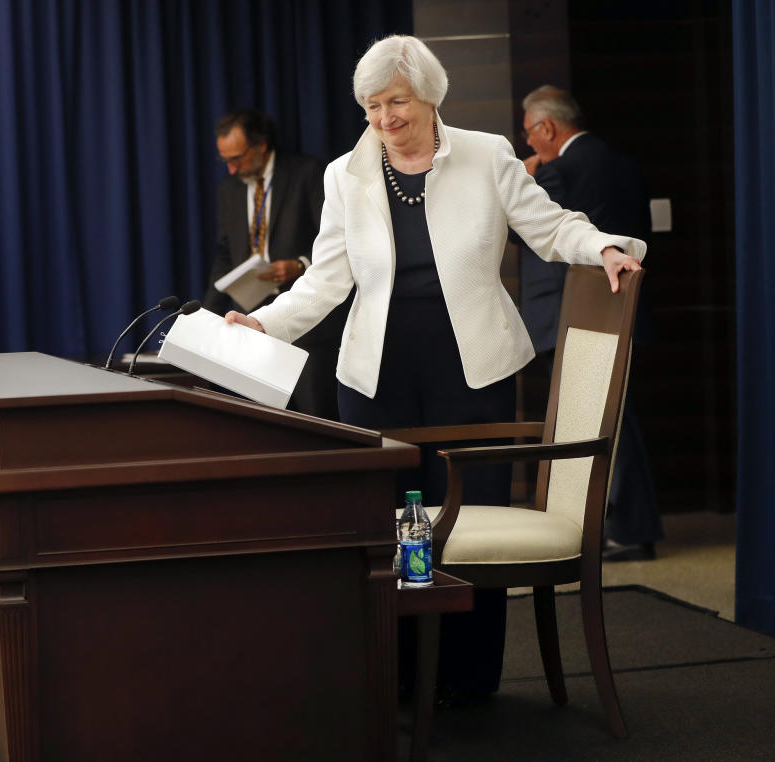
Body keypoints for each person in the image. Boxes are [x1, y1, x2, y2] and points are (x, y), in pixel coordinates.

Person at [225, 36, 646, 699]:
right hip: (375, 380)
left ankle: (468, 683)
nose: (386, 119)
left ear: (430, 95)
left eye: (398, 101)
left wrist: (605, 248)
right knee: (396, 529)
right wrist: (263, 322)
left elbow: (552, 228)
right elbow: (326, 281)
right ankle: (400, 681)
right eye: (372, 106)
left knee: (468, 526)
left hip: (471, 373)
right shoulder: (346, 175)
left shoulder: (487, 156)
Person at [519, 85, 663, 560]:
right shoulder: (623, 163)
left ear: (547, 128)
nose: (528, 146)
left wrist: (526, 182)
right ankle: (629, 527)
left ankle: (623, 529)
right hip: (625, 310)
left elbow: (540, 237)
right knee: (619, 421)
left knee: (598, 426)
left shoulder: (557, 171)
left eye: (529, 135)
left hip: (577, 313)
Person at [202, 109, 347, 420]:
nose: (231, 169)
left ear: (262, 146)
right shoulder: (230, 189)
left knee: (314, 418)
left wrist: (300, 264)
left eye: (237, 158)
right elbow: (226, 254)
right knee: (266, 422)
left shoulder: (308, 173)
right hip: (251, 319)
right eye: (225, 160)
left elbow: (337, 238)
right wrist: (207, 317)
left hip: (307, 321)